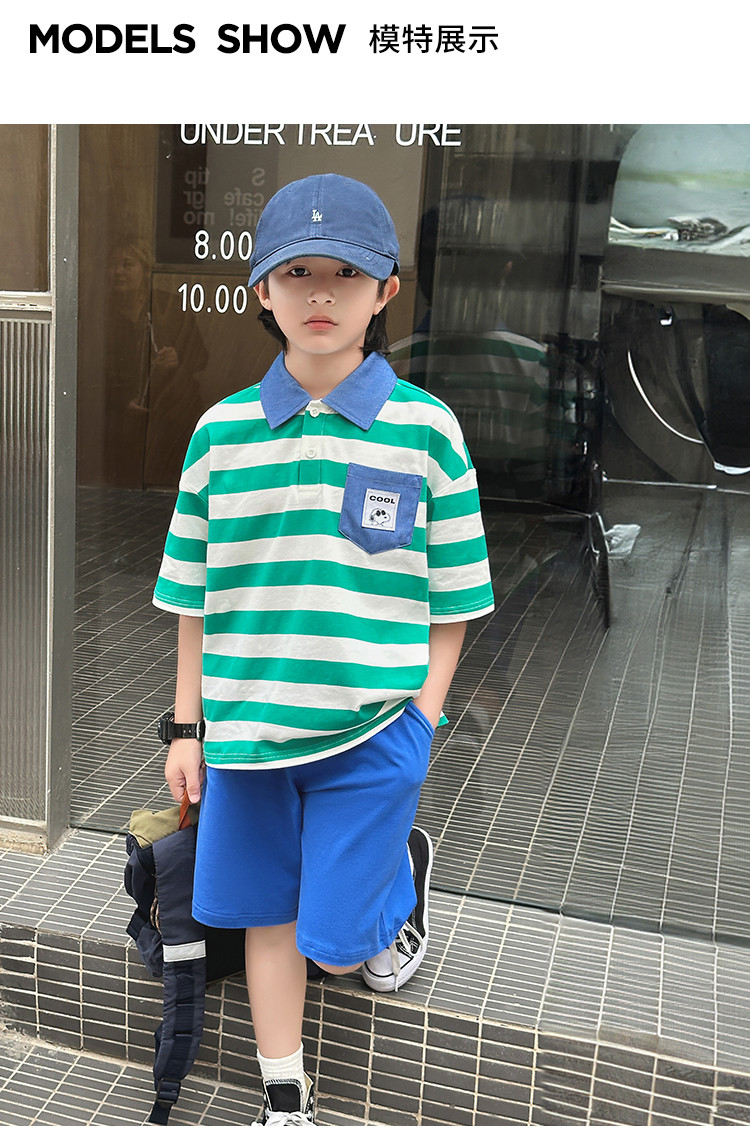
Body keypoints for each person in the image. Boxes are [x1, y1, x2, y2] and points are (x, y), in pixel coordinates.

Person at [152, 174, 495, 1127]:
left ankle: (395, 885)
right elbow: (193, 599)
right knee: (269, 918)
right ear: (261, 290)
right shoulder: (220, 435)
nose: (319, 294)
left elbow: (455, 597)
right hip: (247, 740)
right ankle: (285, 1102)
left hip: (374, 731)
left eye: (345, 273)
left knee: (336, 948)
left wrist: (421, 717)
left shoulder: (426, 431)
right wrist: (188, 727)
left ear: (385, 291)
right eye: (296, 272)